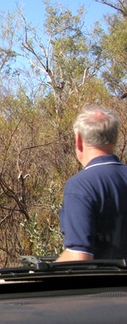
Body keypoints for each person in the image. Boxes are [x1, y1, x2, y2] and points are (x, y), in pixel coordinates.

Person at [56, 105, 127, 262]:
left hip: (105, 285)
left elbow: (79, 255)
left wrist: (39, 278)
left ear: (79, 140)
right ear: (114, 138)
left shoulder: (80, 185)